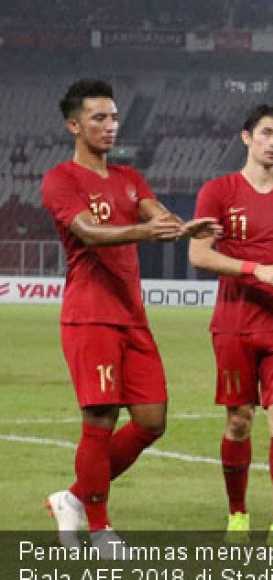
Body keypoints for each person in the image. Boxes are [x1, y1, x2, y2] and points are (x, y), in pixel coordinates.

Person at [42, 78, 218, 555]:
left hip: (132, 317)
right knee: (100, 418)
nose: (110, 126)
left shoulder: (130, 178)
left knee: (151, 420)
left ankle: (73, 497)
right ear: (74, 125)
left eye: (114, 117)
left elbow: (157, 217)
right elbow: (88, 232)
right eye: (99, 118)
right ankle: (99, 528)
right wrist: (146, 230)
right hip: (90, 316)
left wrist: (185, 228)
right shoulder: (61, 179)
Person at [189, 104, 273, 548]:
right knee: (240, 421)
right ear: (246, 137)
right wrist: (255, 269)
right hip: (234, 324)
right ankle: (238, 516)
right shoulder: (218, 192)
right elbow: (199, 255)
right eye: (266, 133)